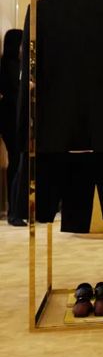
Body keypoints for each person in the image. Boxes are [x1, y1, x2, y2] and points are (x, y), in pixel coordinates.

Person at [1, 28, 24, 223]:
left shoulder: (7, 64)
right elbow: (17, 91)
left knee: (16, 161)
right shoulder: (11, 66)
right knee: (16, 161)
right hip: (12, 120)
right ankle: (14, 211)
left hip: (10, 119)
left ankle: (15, 209)